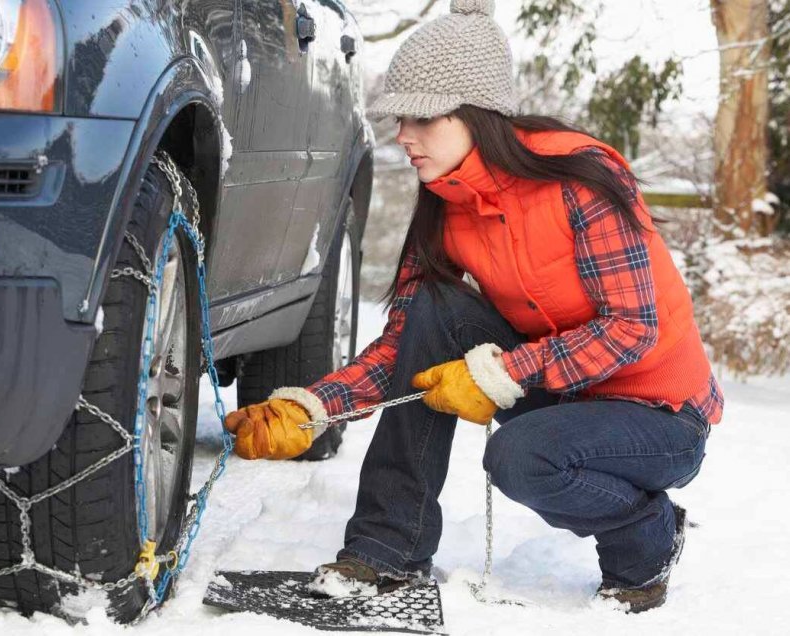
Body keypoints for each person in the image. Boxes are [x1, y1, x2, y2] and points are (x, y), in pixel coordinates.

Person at [223, 0, 722, 613]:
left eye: (422, 118)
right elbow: (404, 349)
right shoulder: (446, 205)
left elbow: (631, 327)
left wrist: (504, 372)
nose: (403, 135)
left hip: (660, 416)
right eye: (400, 118)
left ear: (476, 115)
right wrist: (312, 408)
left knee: (519, 456)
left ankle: (647, 538)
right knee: (435, 306)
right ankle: (389, 549)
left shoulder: (580, 184)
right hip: (564, 394)